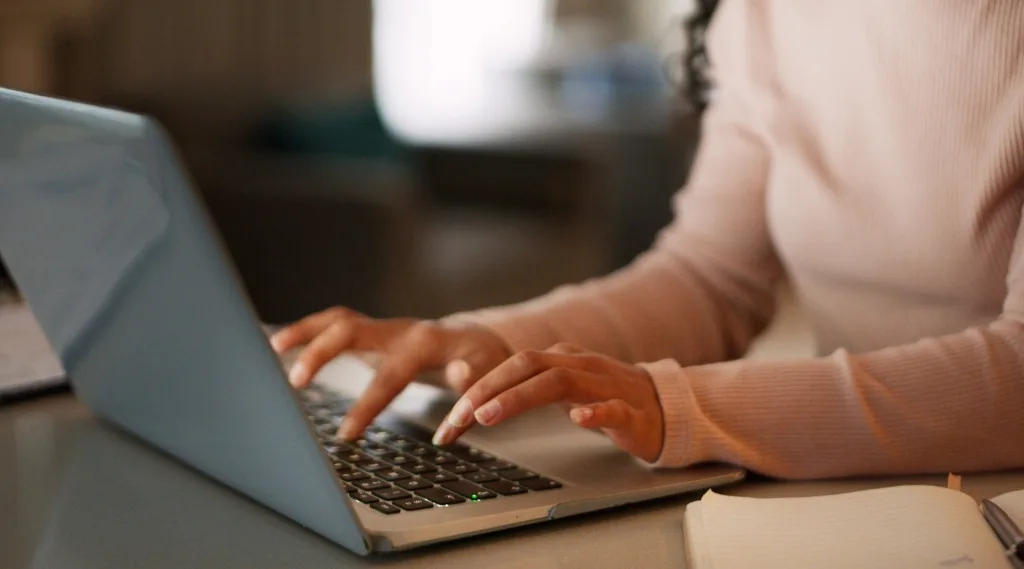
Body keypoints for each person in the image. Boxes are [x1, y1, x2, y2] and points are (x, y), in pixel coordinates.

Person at [272, 0, 1024, 480]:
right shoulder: (764, 13)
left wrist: (684, 406)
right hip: (855, 489)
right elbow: (709, 279)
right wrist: (488, 345)